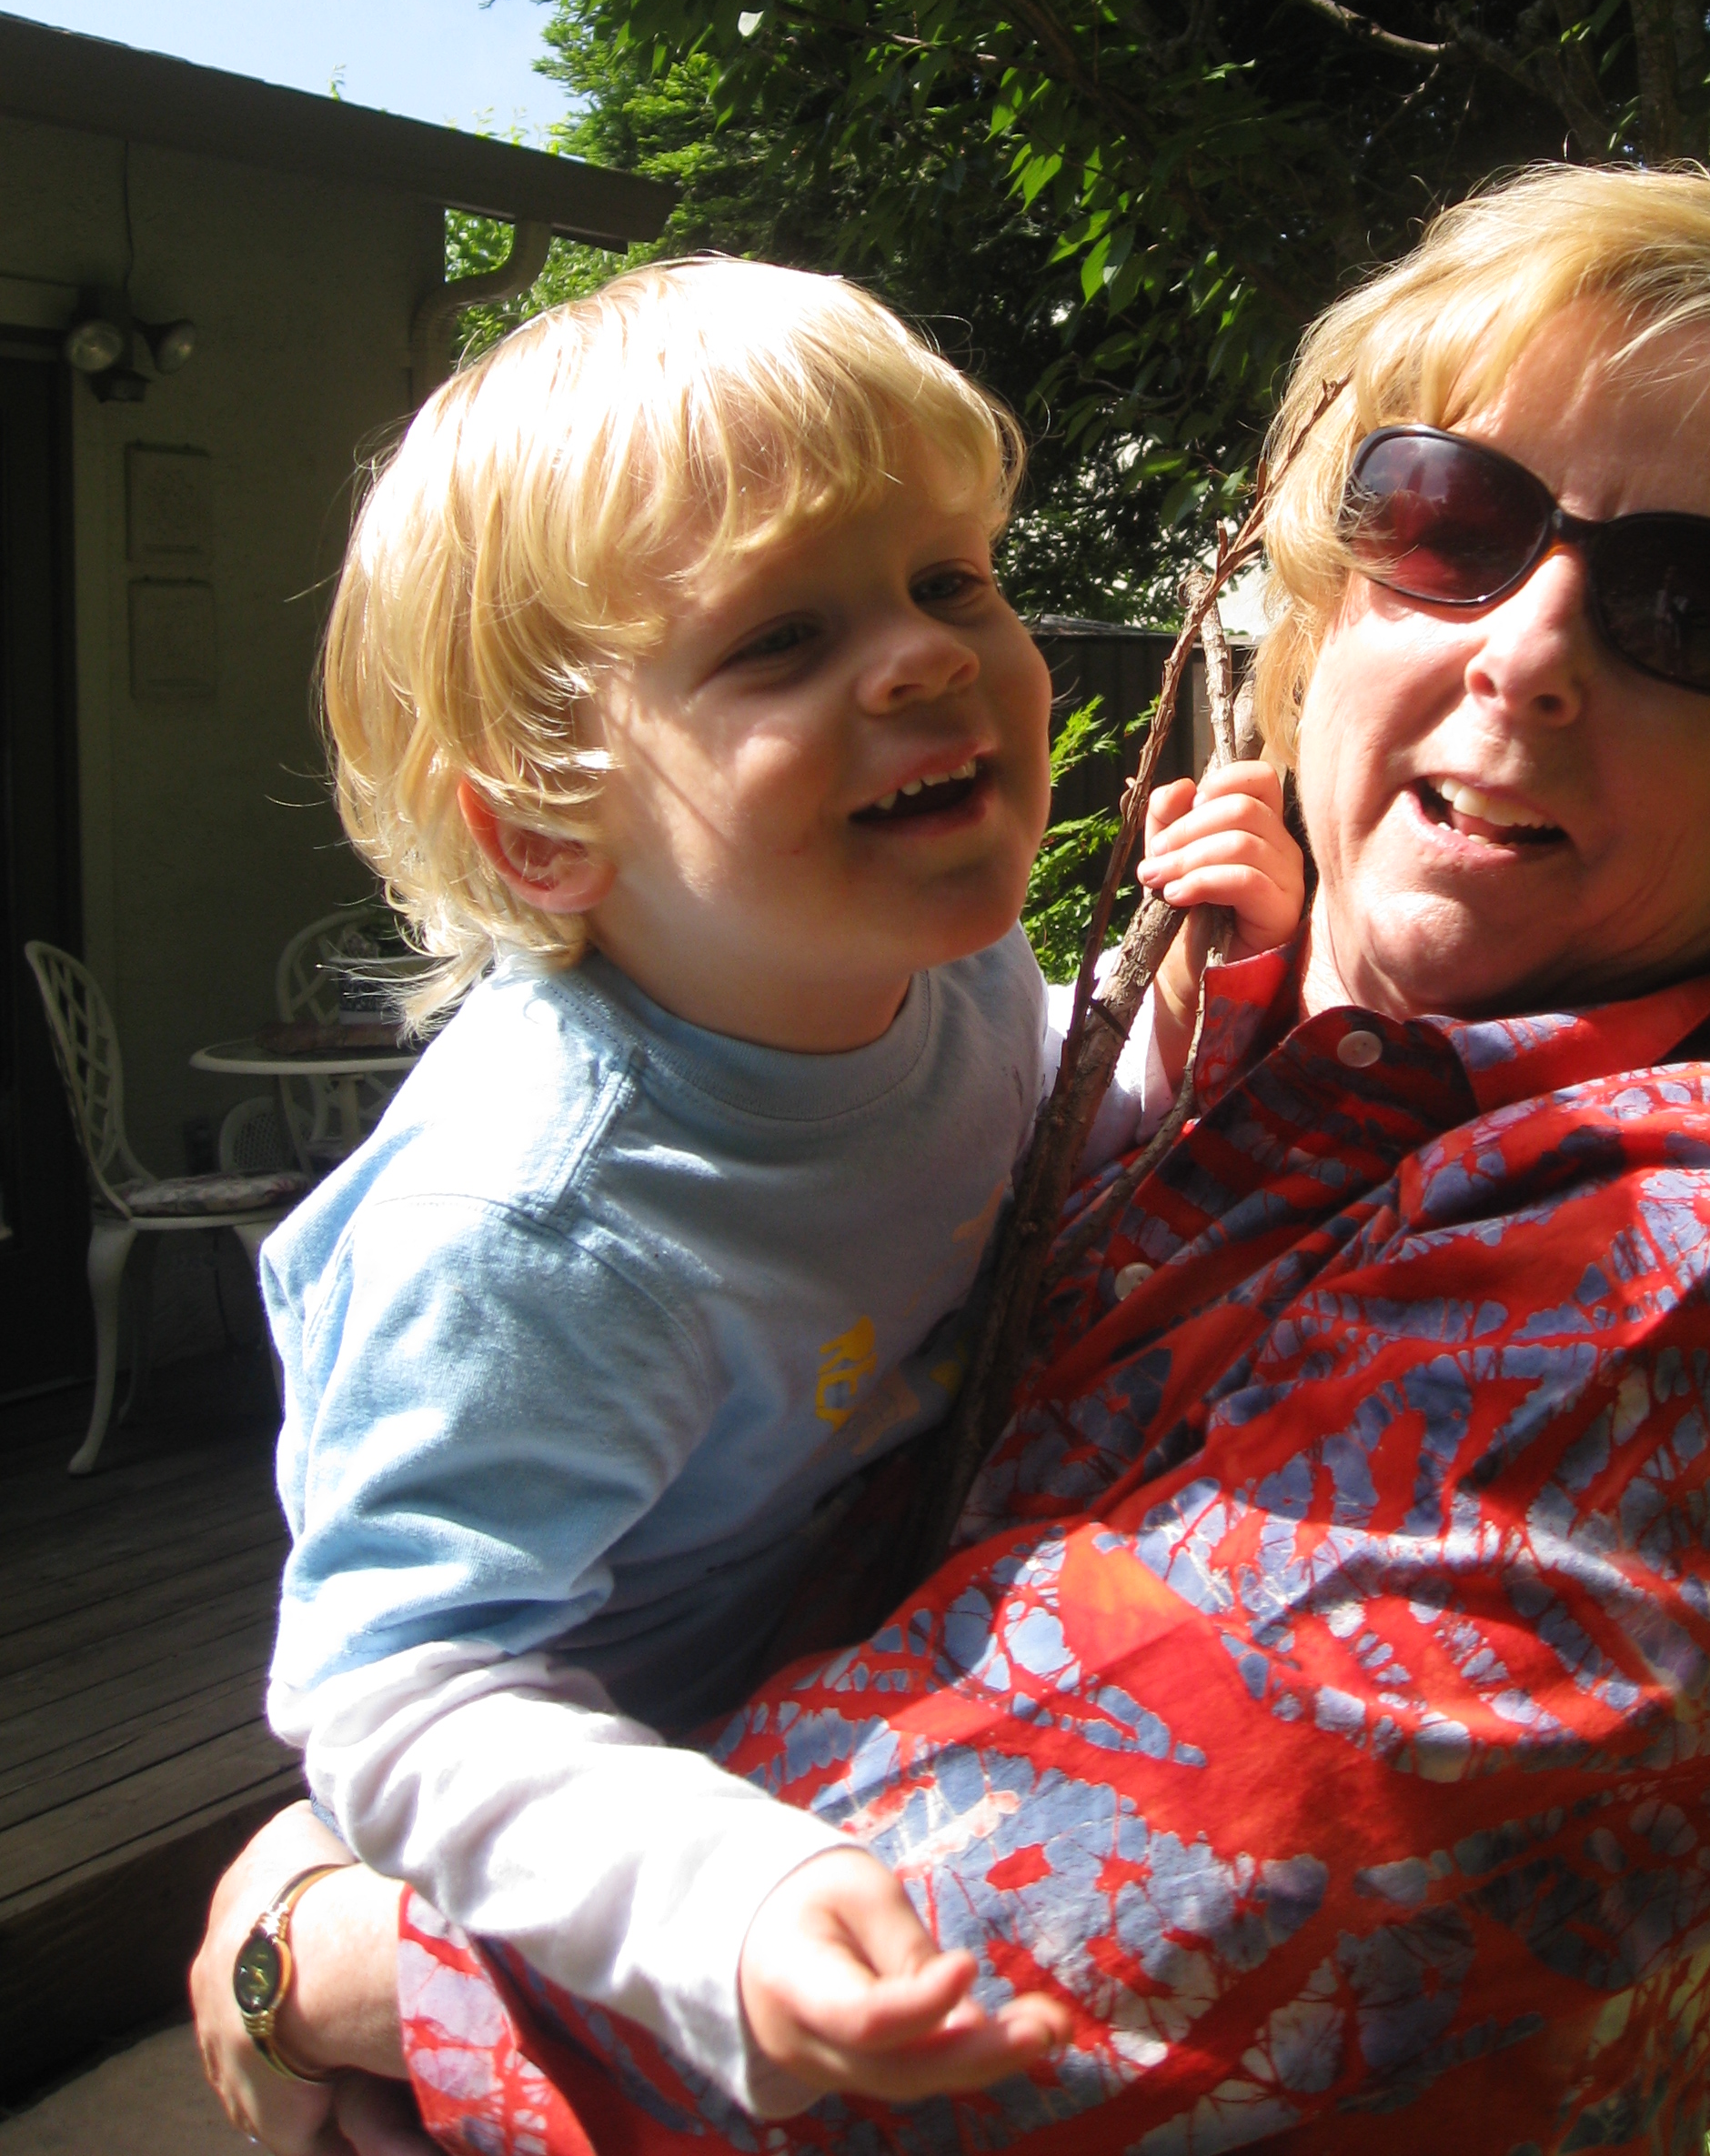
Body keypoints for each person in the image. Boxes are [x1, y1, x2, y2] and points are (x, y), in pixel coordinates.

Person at [195, 165, 1710, 2156]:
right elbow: (412, 1665)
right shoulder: (564, 1204)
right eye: (1451, 520)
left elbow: (993, 2003)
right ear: (1321, 577)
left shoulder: (1698, 1250)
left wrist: (331, 1951)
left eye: (1703, 605)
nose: (1531, 652)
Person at [230, 258, 1303, 2135]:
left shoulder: (942, 979)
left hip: (802, 1733)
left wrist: (1216, 990)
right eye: (781, 639)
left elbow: (1062, 1145)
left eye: (948, 580)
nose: (925, 657)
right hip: (570, 1889)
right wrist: (718, 1895)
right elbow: (396, 1687)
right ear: (544, 828)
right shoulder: (534, 1227)